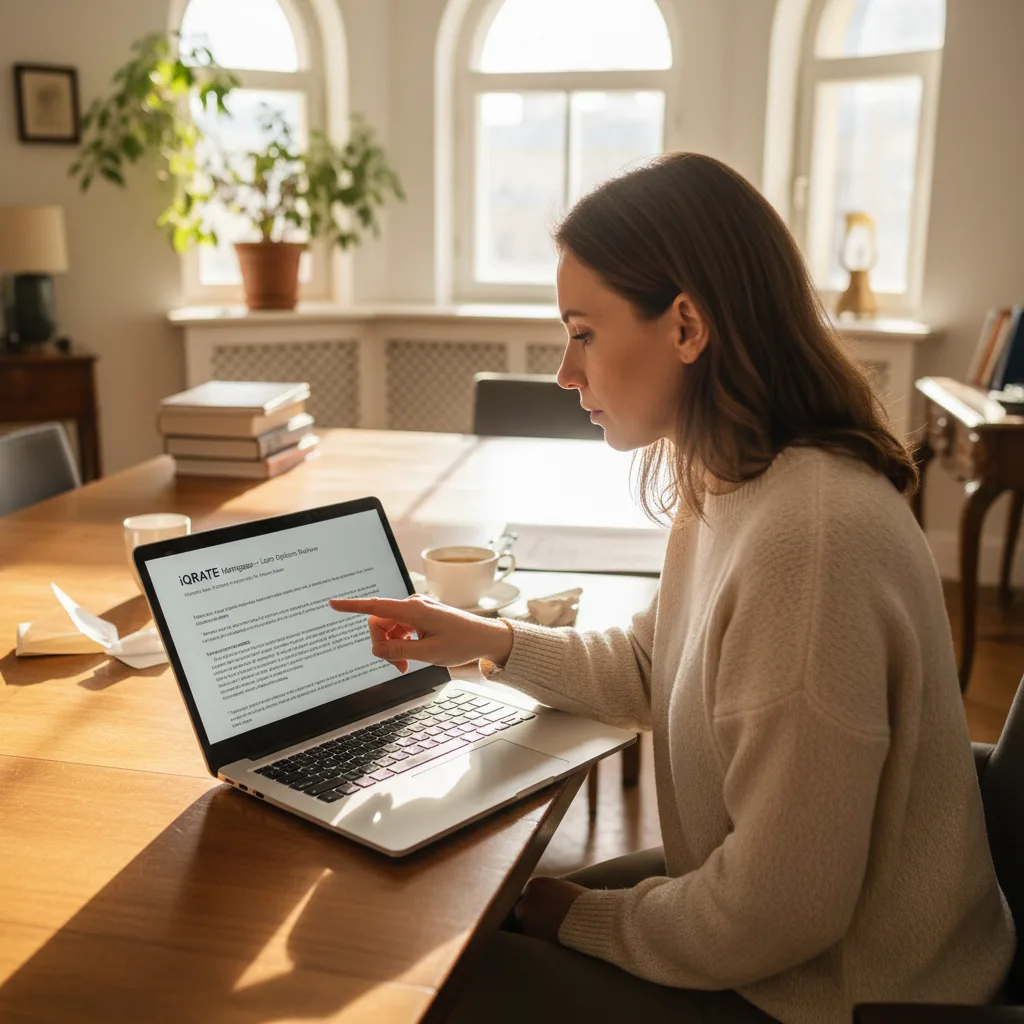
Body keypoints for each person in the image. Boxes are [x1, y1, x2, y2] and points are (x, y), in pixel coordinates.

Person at [330, 153, 1014, 1024]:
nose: (564, 373)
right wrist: (488, 642)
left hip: (837, 994)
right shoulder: (737, 476)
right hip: (787, 941)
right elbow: (658, 664)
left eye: (583, 332)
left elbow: (778, 912)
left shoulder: (809, 542)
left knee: (447, 979)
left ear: (686, 327)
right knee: (469, 915)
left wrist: (582, 917)